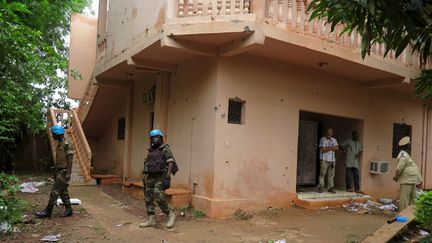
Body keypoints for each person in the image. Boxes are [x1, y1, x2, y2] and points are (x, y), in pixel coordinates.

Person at [140, 129, 179, 229]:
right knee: (148, 197)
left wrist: (168, 177)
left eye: (156, 137)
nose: (154, 140)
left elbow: (170, 162)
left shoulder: (165, 149)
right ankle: (151, 218)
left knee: (158, 195)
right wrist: (144, 177)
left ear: (161, 138)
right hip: (150, 177)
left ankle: (170, 214)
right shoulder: (151, 150)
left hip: (161, 176)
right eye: (152, 138)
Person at [36, 125, 74, 218]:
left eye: (53, 134)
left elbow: (70, 158)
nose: (52, 136)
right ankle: (69, 210)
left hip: (64, 171)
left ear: (58, 134)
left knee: (55, 191)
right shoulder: (60, 143)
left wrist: (68, 172)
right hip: (59, 171)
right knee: (63, 192)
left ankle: (48, 211)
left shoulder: (66, 143)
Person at [393, 136, 423, 211]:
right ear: (407, 146)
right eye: (410, 145)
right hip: (408, 179)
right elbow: (399, 168)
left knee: (412, 198)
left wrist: (396, 177)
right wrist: (396, 177)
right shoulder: (403, 155)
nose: (411, 146)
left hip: (409, 179)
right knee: (406, 198)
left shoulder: (405, 154)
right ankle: (403, 215)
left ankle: (413, 216)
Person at [318, 128, 339, 193]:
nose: (329, 133)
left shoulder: (334, 140)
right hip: (324, 159)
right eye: (328, 132)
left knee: (331, 174)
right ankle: (321, 187)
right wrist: (332, 148)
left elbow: (337, 148)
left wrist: (328, 148)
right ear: (326, 133)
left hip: (332, 160)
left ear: (332, 133)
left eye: (331, 132)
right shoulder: (322, 139)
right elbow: (323, 149)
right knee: (322, 173)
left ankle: (330, 187)